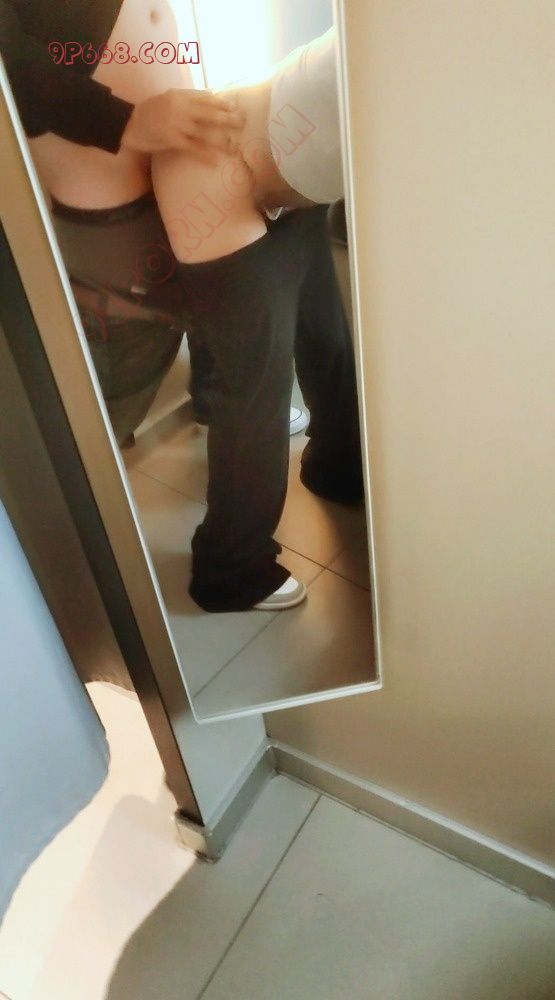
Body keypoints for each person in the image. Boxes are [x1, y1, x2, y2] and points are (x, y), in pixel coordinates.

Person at [150, 27, 362, 614]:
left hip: (286, 179)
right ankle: (229, 570)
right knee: (259, 385)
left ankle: (337, 468)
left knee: (327, 340)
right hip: (217, 166)